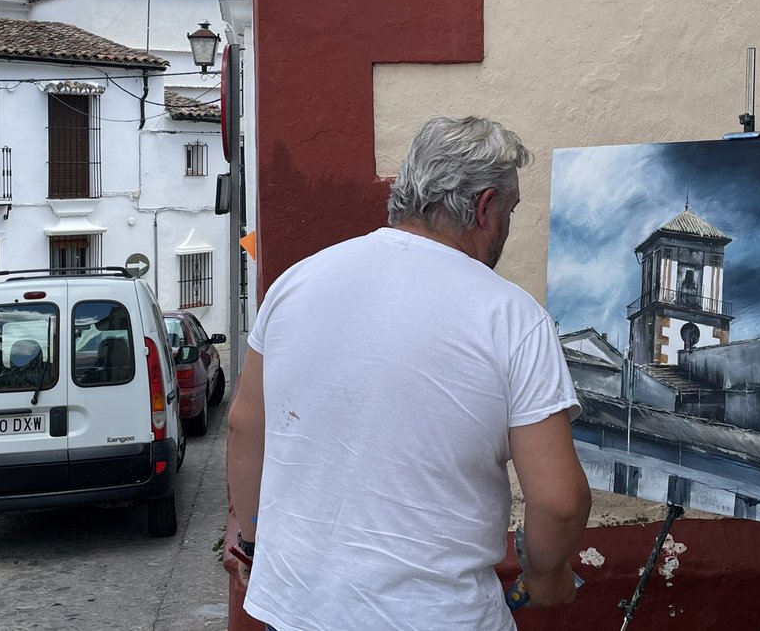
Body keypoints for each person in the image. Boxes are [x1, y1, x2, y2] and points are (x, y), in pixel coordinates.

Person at [227, 115, 591, 631]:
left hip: (296, 609)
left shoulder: (297, 281)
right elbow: (558, 501)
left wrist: (255, 538)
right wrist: (548, 579)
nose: (508, 227)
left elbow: (245, 424)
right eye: (510, 211)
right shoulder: (513, 316)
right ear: (486, 207)